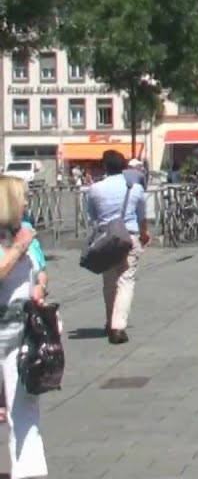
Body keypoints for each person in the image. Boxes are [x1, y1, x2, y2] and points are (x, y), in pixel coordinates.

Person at [0, 177, 49, 477]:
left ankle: (28, 471)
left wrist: (40, 286)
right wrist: (18, 247)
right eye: (23, 198)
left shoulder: (25, 231)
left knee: (24, 404)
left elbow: (41, 269)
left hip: (21, 333)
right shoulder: (18, 240)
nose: (28, 203)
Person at [84, 150, 149, 345]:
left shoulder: (94, 189)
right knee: (126, 280)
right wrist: (144, 234)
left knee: (109, 281)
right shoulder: (135, 188)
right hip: (129, 236)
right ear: (124, 167)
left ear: (104, 166)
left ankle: (109, 321)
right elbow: (141, 216)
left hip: (106, 238)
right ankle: (118, 326)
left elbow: (93, 217)